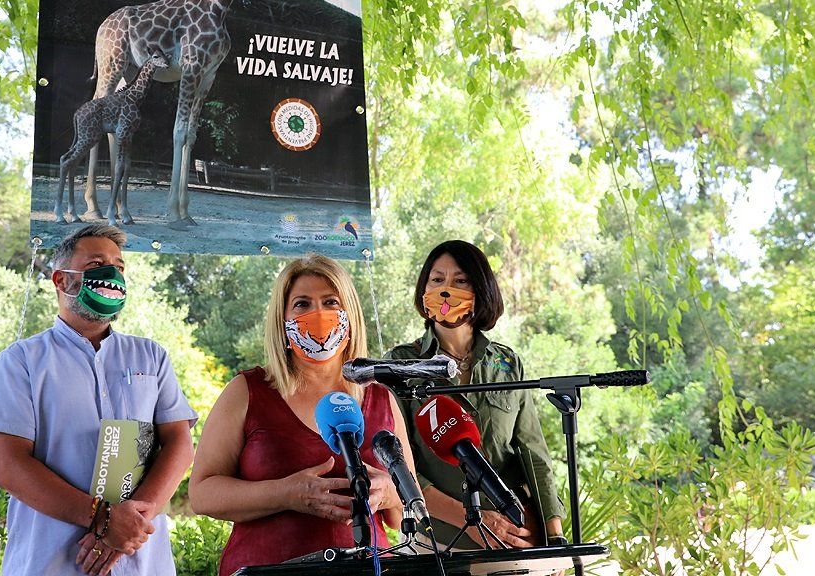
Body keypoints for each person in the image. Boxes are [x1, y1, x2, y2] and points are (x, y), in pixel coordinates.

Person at [0, 224, 196, 576]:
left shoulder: (152, 356)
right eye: (96, 265)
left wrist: (129, 524)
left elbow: (180, 443)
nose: (113, 275)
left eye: (119, 267)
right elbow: (9, 466)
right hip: (52, 564)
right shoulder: (20, 362)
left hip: (142, 564)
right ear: (62, 280)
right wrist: (102, 518)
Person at [189, 254, 417, 574]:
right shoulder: (246, 391)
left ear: (351, 314)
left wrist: (386, 491)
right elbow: (202, 494)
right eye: (302, 304)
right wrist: (287, 494)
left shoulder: (382, 399)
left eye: (330, 302)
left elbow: (406, 503)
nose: (318, 314)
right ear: (282, 320)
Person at [385, 240, 566, 549]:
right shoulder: (400, 364)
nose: (446, 289)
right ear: (423, 289)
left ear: (480, 290)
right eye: (437, 279)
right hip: (437, 544)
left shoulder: (506, 363)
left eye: (460, 281)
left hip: (513, 539)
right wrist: (469, 519)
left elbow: (534, 453)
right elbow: (398, 465)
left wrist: (554, 535)